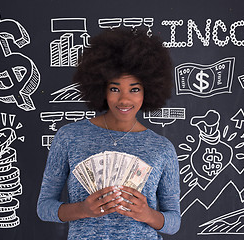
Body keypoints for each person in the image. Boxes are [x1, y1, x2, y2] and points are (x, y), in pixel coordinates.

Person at [37, 28, 181, 239]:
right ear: (101, 89)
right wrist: (83, 210)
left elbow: (174, 222)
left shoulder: (162, 148)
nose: (124, 100)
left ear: (148, 90)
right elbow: (44, 207)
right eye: (115, 89)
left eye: (134, 89)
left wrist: (147, 214)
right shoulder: (69, 137)